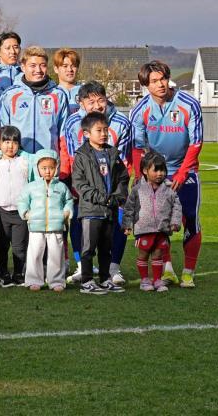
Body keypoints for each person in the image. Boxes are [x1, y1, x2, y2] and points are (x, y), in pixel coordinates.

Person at [128, 60, 203, 287]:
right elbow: (138, 148)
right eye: (154, 81)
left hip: (186, 171)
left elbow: (196, 142)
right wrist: (142, 176)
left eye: (163, 79)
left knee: (190, 219)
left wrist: (182, 173)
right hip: (156, 174)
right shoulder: (140, 111)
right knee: (159, 222)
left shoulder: (189, 104)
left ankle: (188, 273)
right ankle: (167, 269)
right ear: (145, 85)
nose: (160, 84)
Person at [59, 81, 132, 285]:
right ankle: (84, 271)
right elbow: (76, 159)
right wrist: (86, 190)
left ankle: (112, 270)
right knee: (85, 236)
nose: (97, 105)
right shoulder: (72, 122)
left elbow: (122, 163)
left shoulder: (122, 123)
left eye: (101, 100)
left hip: (111, 193)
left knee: (111, 234)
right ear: (81, 103)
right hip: (89, 194)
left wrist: (118, 194)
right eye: (91, 101)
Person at [72, 112, 130, 295]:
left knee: (106, 248)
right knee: (88, 248)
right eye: (99, 130)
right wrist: (100, 197)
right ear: (87, 133)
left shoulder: (113, 153)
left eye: (106, 129)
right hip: (91, 210)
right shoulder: (82, 155)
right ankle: (87, 281)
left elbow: (123, 178)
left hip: (110, 210)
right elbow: (79, 183)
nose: (104, 133)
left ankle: (105, 279)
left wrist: (117, 197)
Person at [0, 126, 37, 287]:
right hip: (1, 210)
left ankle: (19, 273)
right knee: (2, 244)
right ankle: (4, 273)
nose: (10, 146)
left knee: (20, 245)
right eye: (6, 141)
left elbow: (33, 182)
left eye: (14, 142)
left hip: (21, 211)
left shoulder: (27, 160)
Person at [122, 151, 182, 292]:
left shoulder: (169, 188)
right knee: (143, 255)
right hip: (144, 229)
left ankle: (157, 280)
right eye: (156, 170)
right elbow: (129, 207)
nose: (160, 173)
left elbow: (177, 207)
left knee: (157, 255)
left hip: (162, 229)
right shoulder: (137, 189)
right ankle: (144, 280)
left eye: (162, 170)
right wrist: (127, 224)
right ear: (145, 171)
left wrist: (175, 222)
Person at [17, 150, 73, 292]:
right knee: (34, 253)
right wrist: (25, 213)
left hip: (56, 226)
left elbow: (69, 201)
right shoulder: (31, 187)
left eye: (51, 168)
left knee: (56, 254)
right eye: (44, 168)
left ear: (57, 168)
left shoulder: (61, 187)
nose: (48, 171)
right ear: (37, 169)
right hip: (36, 226)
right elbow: (22, 201)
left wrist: (66, 212)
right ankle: (33, 280)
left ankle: (56, 281)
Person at [0, 46, 69, 154]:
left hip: (48, 164)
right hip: (18, 161)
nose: (38, 70)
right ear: (23, 67)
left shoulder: (58, 95)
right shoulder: (10, 95)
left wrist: (63, 167)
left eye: (42, 65)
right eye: (33, 66)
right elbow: (1, 133)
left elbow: (64, 135)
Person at [53, 48, 81, 115]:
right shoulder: (51, 94)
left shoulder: (87, 92)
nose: (70, 69)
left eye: (73, 66)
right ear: (56, 69)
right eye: (65, 66)